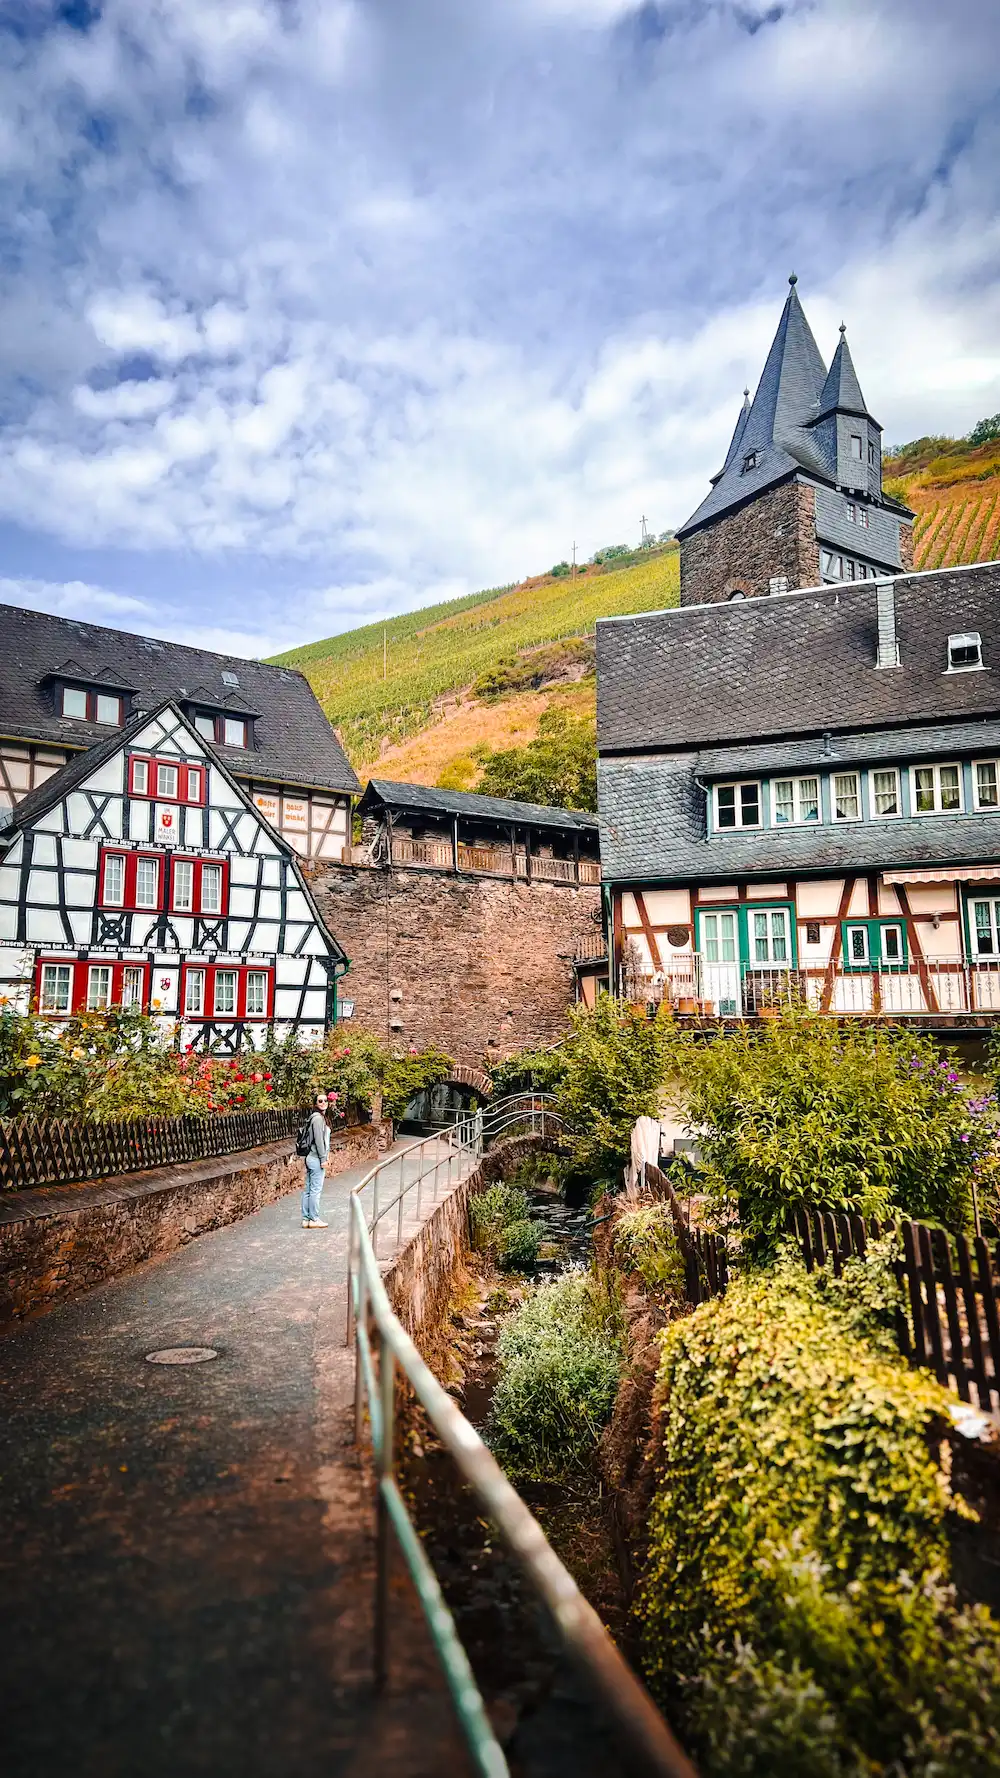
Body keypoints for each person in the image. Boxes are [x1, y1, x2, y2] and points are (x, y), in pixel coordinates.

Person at [302, 1091, 331, 1228]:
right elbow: (319, 1141)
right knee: (315, 1190)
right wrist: (323, 1159)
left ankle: (306, 1218)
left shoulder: (313, 1117)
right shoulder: (318, 1119)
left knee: (308, 1189)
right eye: (320, 1101)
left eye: (325, 1100)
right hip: (316, 1158)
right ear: (315, 1103)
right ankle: (314, 1219)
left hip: (310, 1157)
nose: (323, 1103)